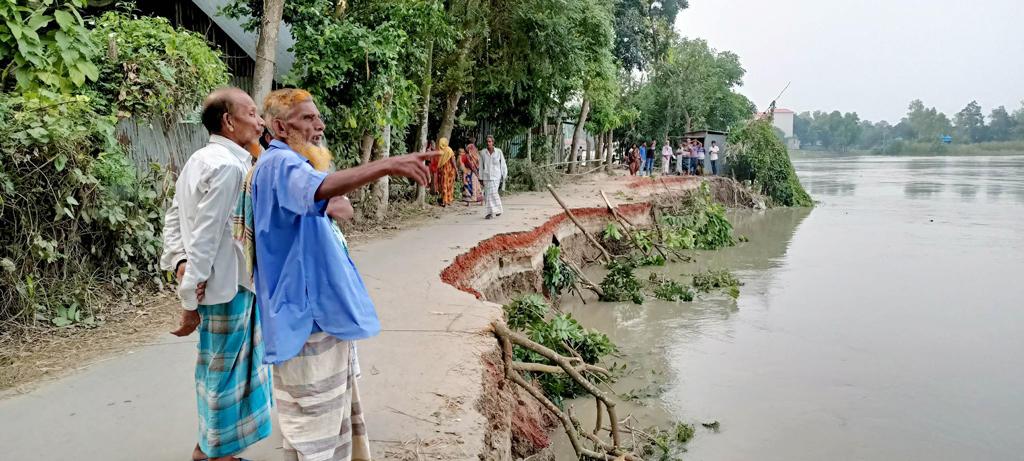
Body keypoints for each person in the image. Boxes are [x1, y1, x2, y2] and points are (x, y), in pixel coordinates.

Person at [251, 88, 435, 461]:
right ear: (280, 127)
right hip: (305, 317)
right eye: (307, 118)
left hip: (319, 314)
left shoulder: (295, 163)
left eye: (318, 117)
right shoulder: (279, 164)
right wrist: (386, 164)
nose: (318, 125)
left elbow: (337, 203)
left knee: (329, 421)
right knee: (313, 424)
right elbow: (323, 191)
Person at [159, 87, 273, 461]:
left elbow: (173, 218)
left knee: (217, 372)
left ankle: (212, 447)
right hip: (227, 288)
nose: (259, 122)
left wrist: (178, 263)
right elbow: (207, 237)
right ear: (228, 121)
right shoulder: (230, 168)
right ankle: (214, 453)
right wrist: (189, 298)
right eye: (253, 114)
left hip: (220, 284)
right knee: (226, 377)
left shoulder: (200, 159)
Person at [479, 134, 507, 219]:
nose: (488, 143)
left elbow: (503, 164)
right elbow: (480, 165)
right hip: (486, 176)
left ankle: (490, 213)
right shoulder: (483, 152)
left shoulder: (498, 151)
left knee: (493, 193)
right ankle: (497, 210)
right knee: (488, 194)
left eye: (490, 141)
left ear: (493, 142)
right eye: (487, 141)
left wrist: (504, 175)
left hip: (496, 176)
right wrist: (480, 178)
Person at [437, 137, 457, 206]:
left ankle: (444, 200)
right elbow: (453, 161)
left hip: (442, 171)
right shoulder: (449, 150)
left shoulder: (439, 151)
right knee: (449, 185)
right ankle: (448, 200)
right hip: (450, 170)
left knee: (443, 185)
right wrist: (456, 169)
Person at [466, 138, 483, 203]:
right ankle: (480, 198)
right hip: (476, 168)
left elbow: (469, 159)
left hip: (471, 169)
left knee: (470, 183)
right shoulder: (476, 149)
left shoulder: (469, 148)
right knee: (477, 183)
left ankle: (472, 198)